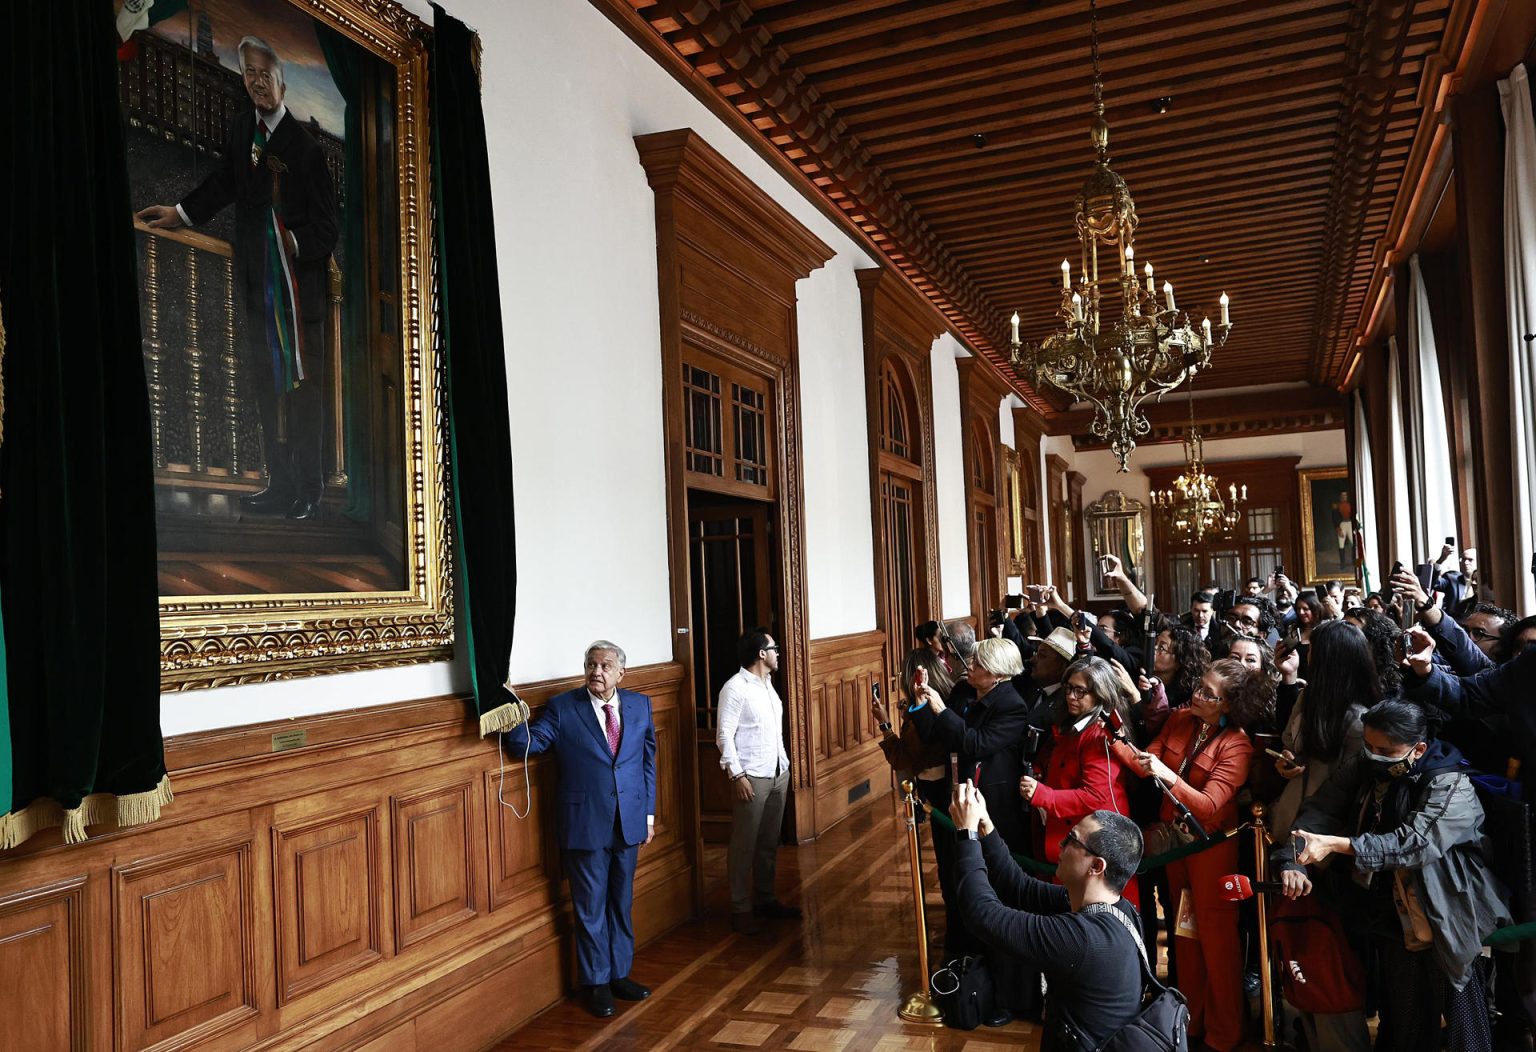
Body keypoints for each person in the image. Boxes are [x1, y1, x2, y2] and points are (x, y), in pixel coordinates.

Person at [137, 36, 338, 520]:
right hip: (255, 290)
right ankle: (279, 482)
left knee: (302, 392)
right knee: (265, 385)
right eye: (248, 73)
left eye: (264, 74)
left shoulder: (306, 150)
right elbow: (225, 182)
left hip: (297, 297)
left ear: (282, 82)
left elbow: (328, 228)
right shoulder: (241, 128)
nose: (255, 82)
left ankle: (308, 490)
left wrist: (291, 245)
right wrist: (181, 212)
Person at [1278, 700, 1511, 1052]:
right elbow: (1321, 811)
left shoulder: (1451, 784)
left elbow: (1414, 844)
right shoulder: (1367, 764)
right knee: (1405, 1022)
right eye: (1368, 746)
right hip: (1390, 913)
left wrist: (1338, 845)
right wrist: (1295, 858)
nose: (1373, 755)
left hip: (1446, 913)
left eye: (1385, 750)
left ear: (1418, 749)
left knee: (1465, 1026)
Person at [1118, 658, 1267, 1052]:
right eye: (1198, 686)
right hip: (1176, 848)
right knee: (1185, 933)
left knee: (1218, 943)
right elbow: (1146, 757)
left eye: (1208, 694)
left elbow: (1210, 804)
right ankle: (1191, 1022)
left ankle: (1224, 1033)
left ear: (1228, 705)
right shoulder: (1182, 717)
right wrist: (1115, 739)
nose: (1196, 695)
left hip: (1211, 850)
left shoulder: (1237, 744)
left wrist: (1168, 775)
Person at [505, 640, 655, 1018]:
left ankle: (620, 973)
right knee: (590, 908)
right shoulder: (563, 708)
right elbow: (530, 744)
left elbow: (647, 763)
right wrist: (508, 710)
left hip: (630, 822)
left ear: (622, 672)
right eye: (591, 664)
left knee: (621, 903)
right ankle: (597, 983)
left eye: (605, 666)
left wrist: (648, 815)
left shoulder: (640, 705)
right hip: (585, 824)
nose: (596, 672)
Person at [950, 788, 1148, 1051]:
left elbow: (982, 914)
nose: (1061, 845)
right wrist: (985, 826)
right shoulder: (1119, 908)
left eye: (1072, 840)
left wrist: (966, 834)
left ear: (1096, 866)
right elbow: (1020, 887)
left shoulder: (1082, 940)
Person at [872, 647, 973, 960]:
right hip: (946, 791)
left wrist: (886, 725)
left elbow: (904, 755)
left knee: (950, 864)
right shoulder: (947, 702)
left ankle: (958, 935)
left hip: (940, 794)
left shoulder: (926, 712)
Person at [1020, 656, 1141, 905]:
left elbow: (1097, 795)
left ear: (1099, 694)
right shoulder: (1075, 723)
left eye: (1080, 691)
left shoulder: (1099, 732)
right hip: (1075, 835)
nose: (1071, 696)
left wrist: (1044, 795)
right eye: (1068, 688)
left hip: (1096, 842)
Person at [910, 637, 1030, 854]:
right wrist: (921, 702)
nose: (970, 666)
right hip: (955, 788)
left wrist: (942, 711)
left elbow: (975, 744)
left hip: (991, 800)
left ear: (999, 674)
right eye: (973, 659)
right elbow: (934, 735)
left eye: (979, 664)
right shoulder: (963, 690)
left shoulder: (1012, 705)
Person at [717, 628, 800, 935]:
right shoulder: (735, 688)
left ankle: (765, 898)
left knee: (768, 842)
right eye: (774, 648)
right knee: (744, 844)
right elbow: (724, 735)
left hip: (778, 772)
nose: (778, 653)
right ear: (761, 654)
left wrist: (785, 767)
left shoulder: (768, 685)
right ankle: (740, 907)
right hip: (751, 776)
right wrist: (737, 774)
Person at [1268, 619, 1376, 843]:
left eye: (1312, 652)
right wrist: (1286, 760)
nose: (1307, 657)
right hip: (1293, 810)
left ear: (1327, 661)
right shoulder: (1308, 697)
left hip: (1329, 832)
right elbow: (1289, 742)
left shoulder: (1359, 722)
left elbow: (1343, 794)